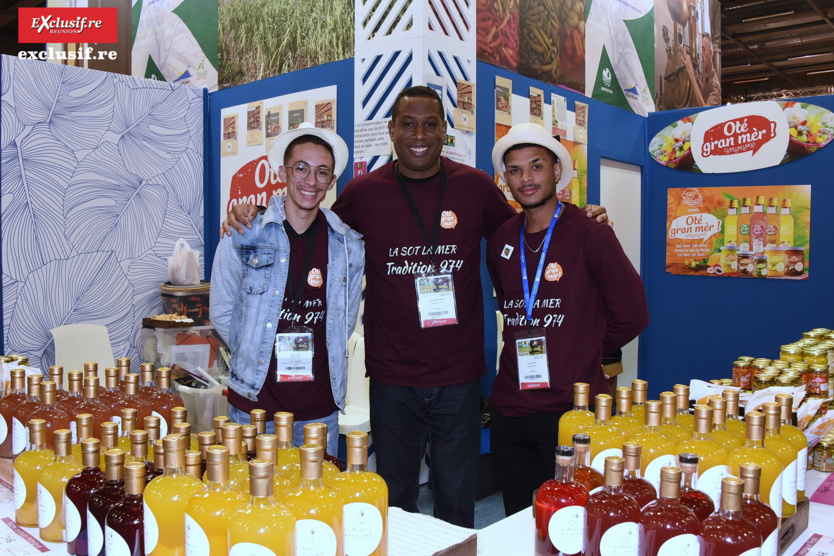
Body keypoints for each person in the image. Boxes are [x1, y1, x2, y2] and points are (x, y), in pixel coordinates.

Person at [221, 86, 608, 527]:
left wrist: (579, 217)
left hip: (459, 379)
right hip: (392, 379)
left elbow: (530, 228)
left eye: (429, 124)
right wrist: (254, 213)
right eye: (408, 124)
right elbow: (309, 220)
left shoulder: (476, 188)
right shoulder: (363, 194)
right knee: (395, 502)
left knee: (456, 503)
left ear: (444, 131)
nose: (419, 134)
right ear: (391, 130)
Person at [486, 122, 649, 515]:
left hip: (571, 409)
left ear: (557, 171)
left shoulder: (591, 233)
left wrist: (585, 346)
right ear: (505, 178)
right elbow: (510, 304)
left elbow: (633, 314)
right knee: (518, 518)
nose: (526, 179)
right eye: (515, 170)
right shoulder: (501, 240)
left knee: (573, 519)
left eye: (536, 166)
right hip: (511, 406)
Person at [210, 122, 364, 457]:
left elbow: (345, 321)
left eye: (322, 172)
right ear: (283, 172)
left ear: (332, 182)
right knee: (250, 491)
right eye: (301, 168)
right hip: (254, 405)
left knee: (316, 492)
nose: (311, 181)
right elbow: (221, 311)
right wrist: (252, 351)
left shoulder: (347, 245)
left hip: (318, 411)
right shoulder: (243, 233)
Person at [683, 33, 721, 107]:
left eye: (703, 50)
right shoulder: (705, 75)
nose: (701, 55)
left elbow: (705, 111)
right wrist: (697, 80)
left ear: (710, 53)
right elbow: (703, 96)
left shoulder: (715, 86)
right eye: (700, 50)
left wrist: (692, 76)